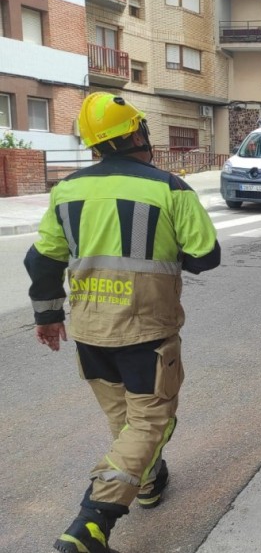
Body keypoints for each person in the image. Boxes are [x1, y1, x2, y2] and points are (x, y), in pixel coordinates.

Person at [24, 92, 221, 553]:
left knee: (125, 422)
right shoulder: (169, 188)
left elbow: (42, 260)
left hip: (90, 333)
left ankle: (149, 482)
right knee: (150, 423)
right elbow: (205, 256)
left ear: (95, 146)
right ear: (137, 133)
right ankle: (91, 522)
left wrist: (48, 316)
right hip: (146, 334)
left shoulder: (66, 189)